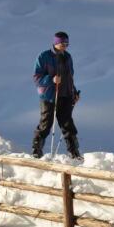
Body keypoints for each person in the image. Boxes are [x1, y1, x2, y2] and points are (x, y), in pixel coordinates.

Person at [31, 31, 82, 160]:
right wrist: (51, 79)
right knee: (46, 123)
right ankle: (36, 150)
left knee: (68, 124)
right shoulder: (44, 56)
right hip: (49, 96)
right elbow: (37, 78)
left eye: (67, 43)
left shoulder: (68, 57)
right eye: (62, 43)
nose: (65, 46)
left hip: (65, 95)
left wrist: (74, 93)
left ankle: (74, 152)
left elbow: (70, 78)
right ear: (56, 43)